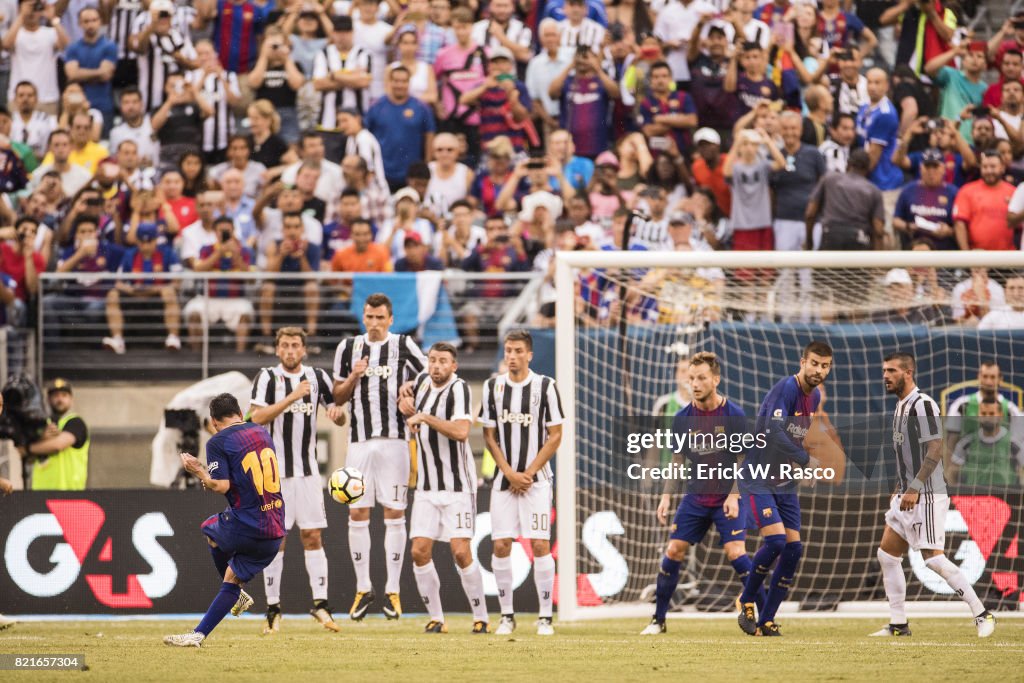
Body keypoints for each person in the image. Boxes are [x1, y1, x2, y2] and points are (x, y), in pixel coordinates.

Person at [870, 352, 995, 639]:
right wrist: (901, 485)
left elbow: (936, 448)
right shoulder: (900, 406)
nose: (885, 376)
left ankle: (981, 613)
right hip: (906, 493)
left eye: (891, 371)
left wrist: (914, 487)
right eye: (884, 370)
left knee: (933, 559)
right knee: (887, 555)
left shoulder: (922, 404)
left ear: (908, 372)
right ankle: (898, 625)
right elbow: (905, 453)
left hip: (926, 494)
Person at [641, 352, 763, 635]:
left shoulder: (733, 413)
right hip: (696, 498)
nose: (694, 383)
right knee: (674, 550)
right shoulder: (683, 417)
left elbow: (742, 460)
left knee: (736, 552)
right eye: (691, 378)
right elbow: (677, 461)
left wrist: (734, 495)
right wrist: (666, 497)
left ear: (715, 380)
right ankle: (658, 620)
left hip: (726, 496)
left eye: (701, 378)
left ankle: (765, 617)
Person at [163, 393, 286, 647]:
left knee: (209, 529)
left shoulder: (218, 441)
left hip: (249, 524)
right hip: (275, 529)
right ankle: (200, 633)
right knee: (232, 577)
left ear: (214, 422)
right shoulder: (262, 432)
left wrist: (198, 470)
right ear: (241, 414)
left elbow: (220, 485)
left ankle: (233, 598)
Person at [332, 293, 427, 621]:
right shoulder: (348, 348)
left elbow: (429, 377)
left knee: (394, 513)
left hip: (395, 442)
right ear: (363, 317)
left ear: (390, 320)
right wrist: (354, 376)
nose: (373, 324)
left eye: (379, 318)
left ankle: (393, 590)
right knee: (357, 513)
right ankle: (363, 588)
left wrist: (410, 387)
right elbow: (337, 395)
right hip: (358, 443)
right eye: (369, 317)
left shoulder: (403, 344)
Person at [249, 327, 346, 634]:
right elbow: (256, 418)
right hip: (273, 475)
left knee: (313, 536)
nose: (290, 351)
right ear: (277, 350)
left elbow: (338, 410)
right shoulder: (267, 377)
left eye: (295, 346)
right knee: (276, 541)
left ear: (304, 350)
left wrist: (337, 415)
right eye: (285, 346)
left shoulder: (317, 377)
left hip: (307, 473)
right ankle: (273, 608)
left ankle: (320, 604)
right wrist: (292, 397)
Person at [737, 341, 833, 637]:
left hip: (784, 480)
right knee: (777, 541)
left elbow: (795, 435)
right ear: (803, 361)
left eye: (825, 365)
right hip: (759, 476)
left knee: (793, 549)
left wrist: (799, 463)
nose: (819, 370)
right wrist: (806, 460)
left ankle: (767, 619)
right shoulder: (785, 388)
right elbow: (774, 430)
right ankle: (747, 599)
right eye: (814, 363)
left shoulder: (814, 396)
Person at [398, 342, 491, 634]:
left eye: (443, 361)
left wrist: (424, 417)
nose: (436, 366)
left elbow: (462, 432)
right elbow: (410, 390)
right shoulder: (423, 382)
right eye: (432, 360)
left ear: (454, 366)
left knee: (461, 552)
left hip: (457, 488)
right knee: (418, 551)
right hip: (426, 487)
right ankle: (437, 618)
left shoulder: (459, 389)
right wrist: (404, 396)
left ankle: (482, 617)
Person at [479, 329, 563, 636]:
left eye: (518, 351)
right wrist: (509, 472)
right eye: (508, 350)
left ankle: (544, 618)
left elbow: (556, 435)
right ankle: (506, 616)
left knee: (540, 544)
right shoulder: (492, 387)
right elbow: (488, 435)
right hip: (505, 481)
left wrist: (528, 472)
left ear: (529, 354)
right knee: (501, 544)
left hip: (536, 481)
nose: (512, 356)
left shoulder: (546, 386)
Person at [105, 222, 182, 354]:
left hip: (158, 296)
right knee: (112, 294)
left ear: (156, 240)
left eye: (149, 241)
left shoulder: (168, 253)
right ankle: (117, 340)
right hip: (134, 295)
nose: (145, 246)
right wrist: (131, 289)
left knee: (169, 292)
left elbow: (177, 283)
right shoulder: (130, 255)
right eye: (141, 242)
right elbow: (118, 282)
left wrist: (157, 289)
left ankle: (173, 338)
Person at [944, 360, 1024, 469]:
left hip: (1001, 475)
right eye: (985, 376)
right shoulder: (961, 405)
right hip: (967, 475)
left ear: (1000, 379)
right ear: (979, 377)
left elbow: (1018, 447)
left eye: (992, 377)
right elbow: (951, 444)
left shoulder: (1011, 409)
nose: (988, 381)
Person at [805, 149, 884, 250]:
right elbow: (878, 230)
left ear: (848, 164)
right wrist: (878, 261)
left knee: (828, 266)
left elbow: (810, 214)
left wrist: (809, 242)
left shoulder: (829, 179)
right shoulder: (874, 190)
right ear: (869, 169)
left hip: (830, 236)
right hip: (859, 239)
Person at [27, 378, 89, 490]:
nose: (59, 399)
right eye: (55, 395)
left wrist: (30, 448)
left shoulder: (76, 422)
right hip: (40, 494)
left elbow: (58, 445)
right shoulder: (41, 425)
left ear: (71, 399)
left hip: (70, 494)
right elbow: (27, 458)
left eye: (64, 395)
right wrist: (40, 438)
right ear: (48, 399)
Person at [947, 396, 1024, 487]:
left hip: (1004, 498)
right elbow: (953, 470)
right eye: (983, 413)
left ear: (1000, 416)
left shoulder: (1013, 443)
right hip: (973, 498)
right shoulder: (967, 443)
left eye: (991, 413)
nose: (987, 417)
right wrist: (954, 494)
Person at [63, 6, 117, 133]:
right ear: (79, 24)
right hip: (77, 108)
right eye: (86, 21)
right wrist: (98, 72)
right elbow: (72, 74)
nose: (90, 24)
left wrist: (80, 73)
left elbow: (106, 75)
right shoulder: (73, 48)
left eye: (94, 20)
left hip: (103, 106)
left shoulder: (109, 46)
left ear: (100, 22)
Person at [891, 148, 958, 250]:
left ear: (943, 168)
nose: (931, 171)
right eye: (927, 166)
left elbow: (963, 226)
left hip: (944, 254)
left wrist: (949, 231)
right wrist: (908, 226)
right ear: (920, 168)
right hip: (914, 251)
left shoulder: (953, 192)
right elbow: (895, 220)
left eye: (935, 166)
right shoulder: (908, 190)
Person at [312, 16, 372, 129]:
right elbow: (318, 84)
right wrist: (352, 76)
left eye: (346, 32)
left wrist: (334, 75)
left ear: (352, 33)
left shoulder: (363, 53)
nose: (342, 36)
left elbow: (363, 82)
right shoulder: (323, 53)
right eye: (339, 32)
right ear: (333, 33)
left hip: (357, 121)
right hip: (328, 121)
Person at [953, 152, 1016, 251]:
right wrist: (967, 256)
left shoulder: (1013, 192)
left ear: (1002, 168)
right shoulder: (967, 191)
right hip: (977, 256)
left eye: (993, 166)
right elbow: (959, 224)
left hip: (1008, 257)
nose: (989, 171)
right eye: (985, 167)